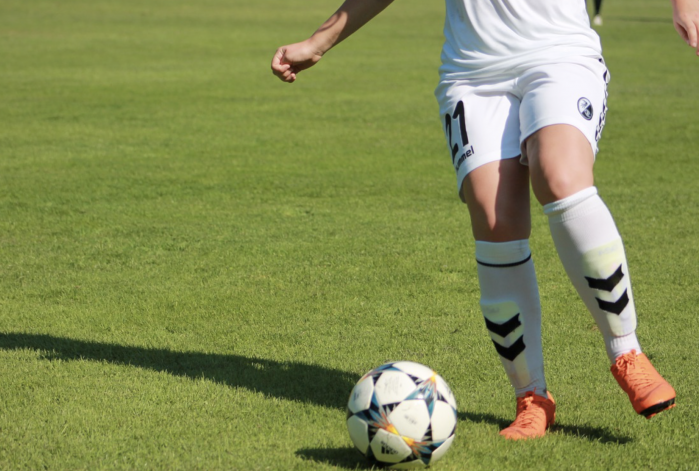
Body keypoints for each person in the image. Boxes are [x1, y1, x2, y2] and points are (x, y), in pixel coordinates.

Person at [271, 0, 699, 440]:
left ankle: (627, 352)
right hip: (472, 71)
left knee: (560, 175)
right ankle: (531, 397)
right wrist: (318, 43)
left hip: (558, 53)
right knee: (495, 219)